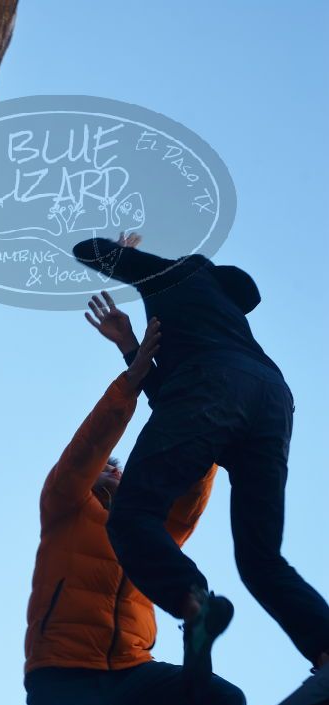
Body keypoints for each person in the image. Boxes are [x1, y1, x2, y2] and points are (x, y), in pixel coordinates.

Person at [72, 232, 329, 680]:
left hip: (214, 385)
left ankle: (194, 601)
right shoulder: (225, 323)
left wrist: (127, 254)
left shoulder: (179, 271)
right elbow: (174, 403)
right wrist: (130, 347)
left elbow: (86, 250)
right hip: (272, 401)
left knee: (132, 515)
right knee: (261, 559)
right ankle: (325, 649)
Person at [24, 313, 245, 705]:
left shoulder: (150, 531)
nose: (111, 470)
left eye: (118, 468)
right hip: (62, 673)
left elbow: (187, 497)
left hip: (131, 669)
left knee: (223, 703)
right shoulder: (64, 505)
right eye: (106, 467)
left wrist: (207, 436)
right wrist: (134, 375)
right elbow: (86, 450)